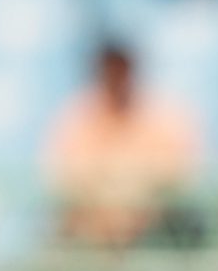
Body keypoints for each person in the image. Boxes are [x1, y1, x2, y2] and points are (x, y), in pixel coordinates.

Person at [43, 40, 203, 248]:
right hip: (91, 234)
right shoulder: (76, 118)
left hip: (153, 232)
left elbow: (177, 179)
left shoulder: (165, 117)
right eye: (109, 72)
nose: (116, 79)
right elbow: (65, 181)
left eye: (121, 71)